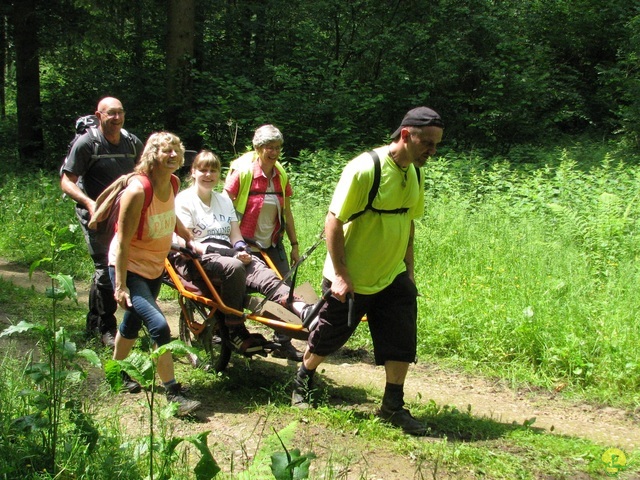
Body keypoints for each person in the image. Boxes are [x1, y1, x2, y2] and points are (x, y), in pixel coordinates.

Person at [290, 107, 444, 436]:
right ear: (405, 135)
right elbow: (333, 221)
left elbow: (408, 223)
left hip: (392, 275)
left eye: (436, 144)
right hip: (352, 276)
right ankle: (303, 378)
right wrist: (343, 275)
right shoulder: (365, 169)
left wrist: (409, 271)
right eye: (427, 143)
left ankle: (392, 406)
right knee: (329, 337)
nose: (432, 150)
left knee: (401, 338)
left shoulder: (416, 172)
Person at [172, 150, 312, 355]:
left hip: (228, 251)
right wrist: (230, 253)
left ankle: (302, 308)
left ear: (219, 174)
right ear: (193, 172)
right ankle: (234, 326)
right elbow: (189, 242)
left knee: (262, 271)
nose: (208, 175)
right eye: (203, 170)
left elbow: (236, 236)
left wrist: (241, 249)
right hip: (198, 255)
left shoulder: (223, 200)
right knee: (235, 267)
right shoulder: (184, 200)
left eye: (213, 170)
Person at [109, 132, 201, 417]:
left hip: (154, 266)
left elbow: (170, 215)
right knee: (159, 326)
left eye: (177, 150)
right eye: (166, 151)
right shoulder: (138, 190)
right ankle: (174, 395)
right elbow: (122, 240)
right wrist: (121, 285)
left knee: (133, 323)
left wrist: (187, 238)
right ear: (152, 154)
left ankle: (115, 374)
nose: (173, 155)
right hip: (128, 267)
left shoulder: (172, 182)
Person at [60, 97, 144, 347]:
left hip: (124, 214)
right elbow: (67, 180)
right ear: (99, 115)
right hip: (96, 215)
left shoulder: (131, 142)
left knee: (116, 267)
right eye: (111, 114)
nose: (116, 118)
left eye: (120, 113)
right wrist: (89, 203)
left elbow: (144, 170)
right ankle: (107, 327)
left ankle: (93, 320)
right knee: (105, 268)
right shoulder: (87, 143)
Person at [224, 125, 303, 361]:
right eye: (269, 147)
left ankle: (283, 342)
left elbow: (287, 212)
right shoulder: (244, 173)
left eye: (278, 147)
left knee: (285, 292)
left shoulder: (281, 176)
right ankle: (229, 331)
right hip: (247, 245)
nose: (274, 152)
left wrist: (295, 244)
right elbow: (225, 206)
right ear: (258, 148)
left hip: (273, 244)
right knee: (239, 289)